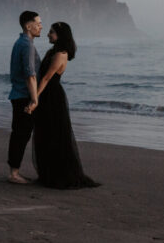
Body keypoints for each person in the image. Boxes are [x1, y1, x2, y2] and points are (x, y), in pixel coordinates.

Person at [31, 22, 100, 189]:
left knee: (55, 134)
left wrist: (35, 99)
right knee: (45, 133)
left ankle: (57, 175)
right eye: (48, 31)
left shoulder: (61, 54)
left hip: (53, 97)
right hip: (47, 95)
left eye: (52, 32)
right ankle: (47, 173)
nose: (48, 34)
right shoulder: (52, 51)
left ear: (60, 35)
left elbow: (47, 78)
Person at [7, 10, 42, 184]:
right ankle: (14, 174)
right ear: (28, 26)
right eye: (38, 23)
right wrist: (34, 100)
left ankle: (14, 171)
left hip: (17, 94)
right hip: (23, 97)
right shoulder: (27, 44)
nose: (41, 26)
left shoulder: (20, 42)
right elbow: (30, 74)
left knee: (18, 134)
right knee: (21, 135)